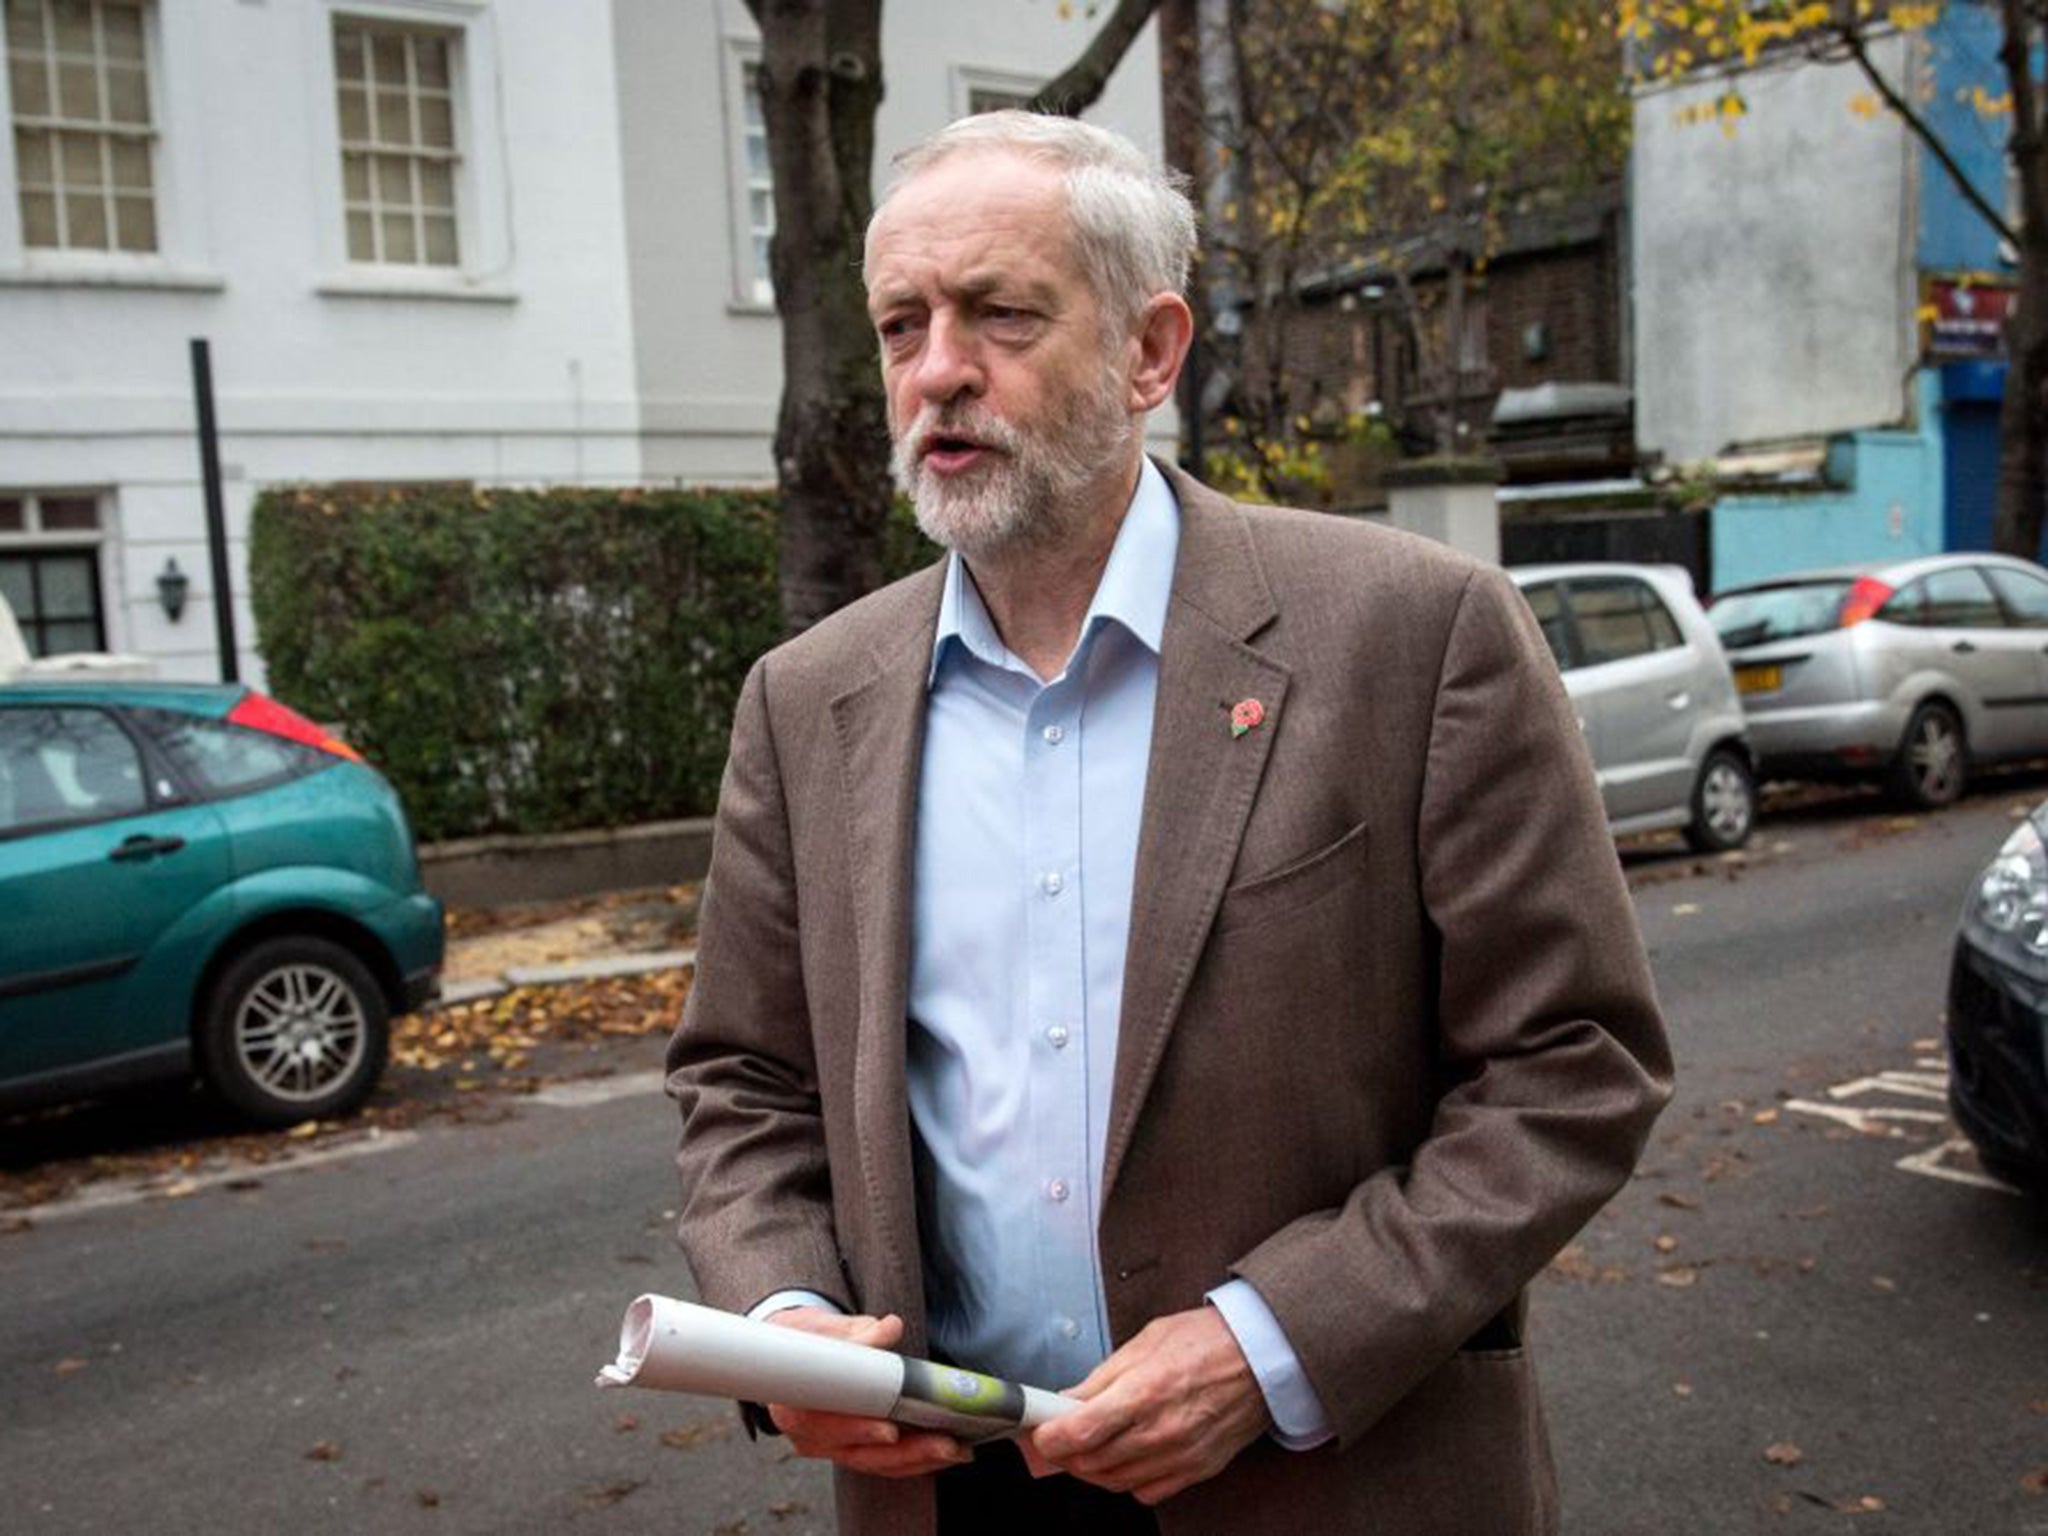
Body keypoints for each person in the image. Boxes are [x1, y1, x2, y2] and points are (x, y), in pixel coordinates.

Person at [667, 110, 1672, 1536]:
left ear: (1150, 350)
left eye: (1001, 314)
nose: (939, 371)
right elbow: (745, 1084)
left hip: (1327, 1476)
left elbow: (1574, 1063)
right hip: (953, 1495)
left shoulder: (1417, 633)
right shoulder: (806, 700)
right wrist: (782, 1322)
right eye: (904, 325)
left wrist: (1272, 1348)